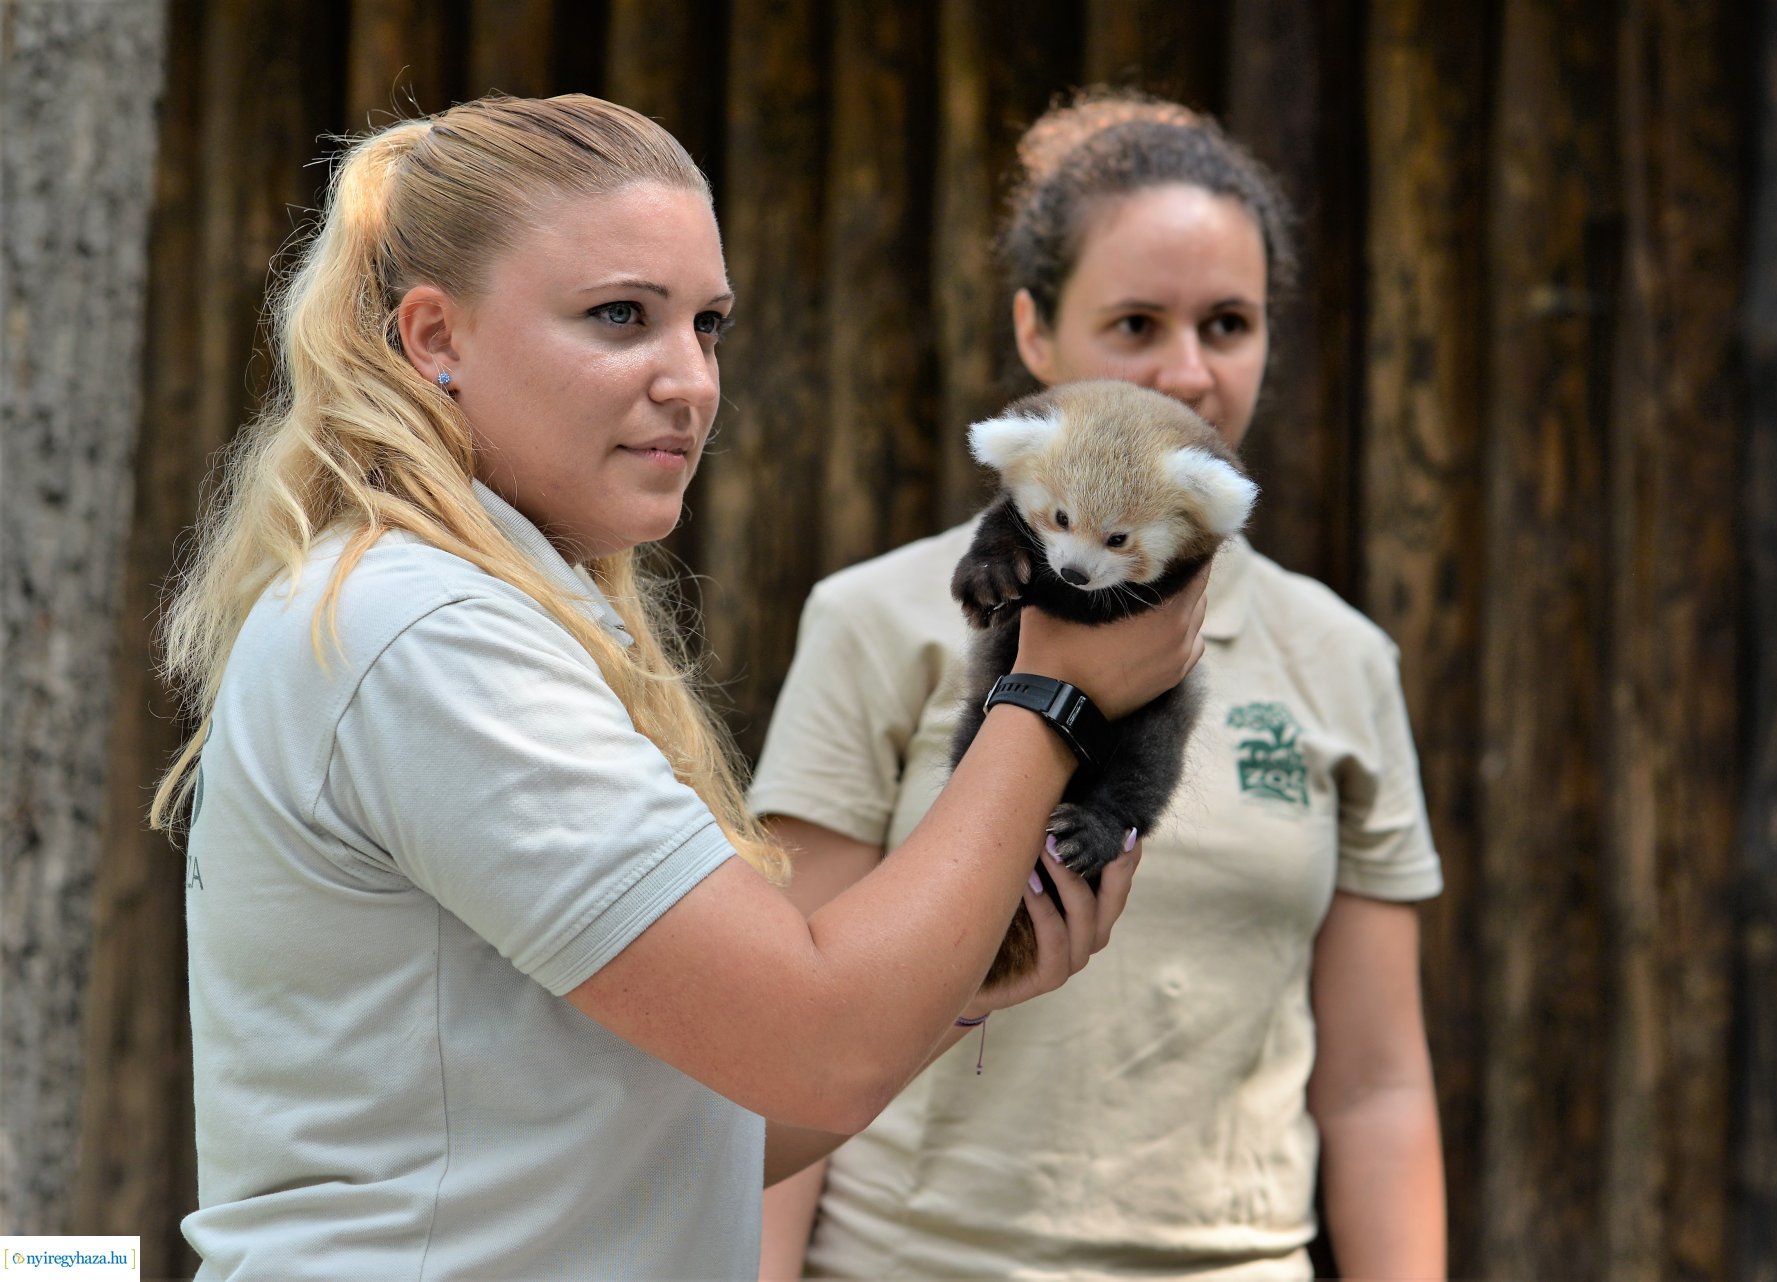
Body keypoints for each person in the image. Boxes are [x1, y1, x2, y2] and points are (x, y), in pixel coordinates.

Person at [149, 94, 1208, 1281]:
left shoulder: (490, 605)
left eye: (708, 324)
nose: (691, 379)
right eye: (620, 317)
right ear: (436, 339)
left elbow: (703, 1115)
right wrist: (1052, 692)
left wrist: (960, 984)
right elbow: (813, 1048)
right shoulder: (426, 630)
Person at [755, 91, 1446, 1280]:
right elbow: (785, 1036)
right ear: (1035, 334)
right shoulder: (878, 619)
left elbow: (1379, 1085)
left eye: (1229, 323)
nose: (1186, 370)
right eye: (1136, 323)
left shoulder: (1343, 659)